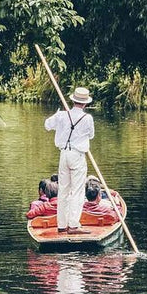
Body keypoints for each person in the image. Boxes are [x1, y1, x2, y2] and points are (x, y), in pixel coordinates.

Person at [44, 87, 95, 235]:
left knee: (64, 190)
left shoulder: (61, 115)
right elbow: (91, 135)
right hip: (77, 156)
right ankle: (73, 225)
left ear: (72, 101)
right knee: (77, 191)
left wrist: (57, 115)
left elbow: (47, 125)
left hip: (64, 155)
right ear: (85, 104)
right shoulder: (88, 118)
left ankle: (61, 225)